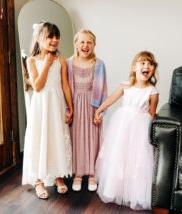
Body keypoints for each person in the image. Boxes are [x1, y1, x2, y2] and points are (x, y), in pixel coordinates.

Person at [94, 51, 159, 210]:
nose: (146, 66)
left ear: (153, 70)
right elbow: (110, 99)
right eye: (142, 63)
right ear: (134, 67)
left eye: (150, 64)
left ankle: (135, 193)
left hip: (141, 127)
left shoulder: (152, 91)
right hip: (122, 125)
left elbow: (152, 113)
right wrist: (98, 111)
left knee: (137, 159)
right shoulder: (125, 86)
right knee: (119, 155)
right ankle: (116, 188)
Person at [22, 21, 73, 199]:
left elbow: (65, 86)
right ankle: (38, 180)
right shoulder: (31, 60)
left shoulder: (61, 60)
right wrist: (46, 63)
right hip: (41, 105)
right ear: (39, 38)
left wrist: (70, 107)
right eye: (50, 36)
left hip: (57, 103)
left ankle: (58, 176)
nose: (54, 40)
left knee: (56, 137)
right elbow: (37, 86)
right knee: (40, 137)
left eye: (57, 37)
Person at [66, 29, 107, 192]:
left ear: (94, 45)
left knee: (93, 139)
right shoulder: (68, 63)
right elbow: (65, 88)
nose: (85, 45)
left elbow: (103, 90)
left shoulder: (99, 64)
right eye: (82, 41)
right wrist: (67, 109)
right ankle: (78, 173)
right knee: (76, 138)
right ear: (76, 44)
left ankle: (91, 174)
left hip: (92, 106)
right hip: (75, 105)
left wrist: (100, 112)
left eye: (89, 42)